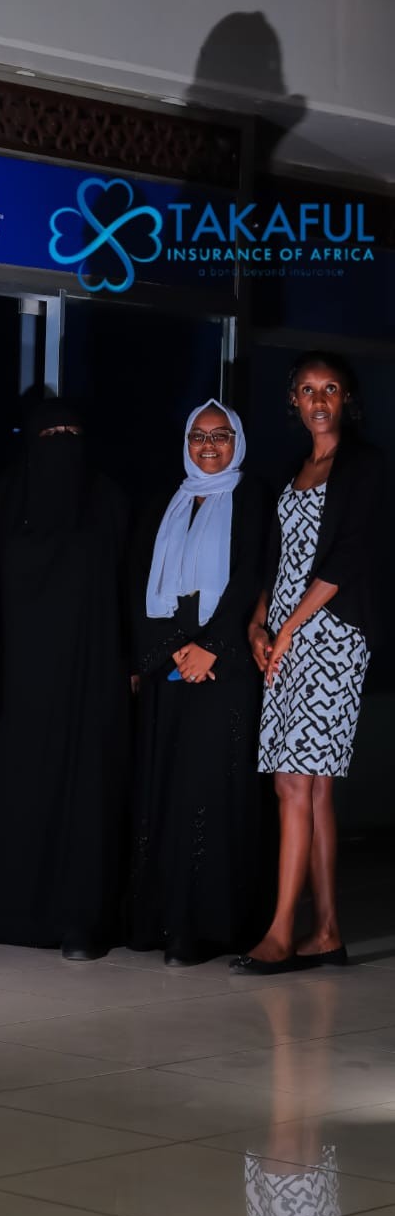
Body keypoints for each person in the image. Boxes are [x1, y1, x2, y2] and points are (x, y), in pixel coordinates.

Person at [232, 351, 383, 974]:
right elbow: (278, 560)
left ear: (347, 399)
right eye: (307, 389)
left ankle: (279, 933)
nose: (319, 400)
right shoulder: (294, 470)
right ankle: (326, 932)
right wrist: (258, 623)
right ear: (293, 400)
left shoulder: (364, 466)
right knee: (310, 786)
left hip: (333, 637)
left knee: (294, 782)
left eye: (331, 389)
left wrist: (289, 628)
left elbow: (349, 558)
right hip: (287, 637)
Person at [0, 397, 128, 960]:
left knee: (85, 792)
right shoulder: (0, 500)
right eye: (49, 433)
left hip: (88, 675)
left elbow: (128, 588)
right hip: (16, 680)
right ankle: (4, 911)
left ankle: (81, 918)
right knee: (16, 789)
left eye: (71, 433)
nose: (62, 445)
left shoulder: (108, 500)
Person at [127, 400, 271, 965]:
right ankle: (161, 920)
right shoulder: (165, 500)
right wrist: (171, 650)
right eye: (198, 436)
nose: (209, 446)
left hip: (224, 667)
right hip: (170, 665)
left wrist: (213, 647)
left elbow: (256, 575)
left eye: (220, 435)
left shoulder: (254, 498)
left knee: (212, 789)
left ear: (237, 441)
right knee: (166, 787)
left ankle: (208, 925)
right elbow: (138, 579)